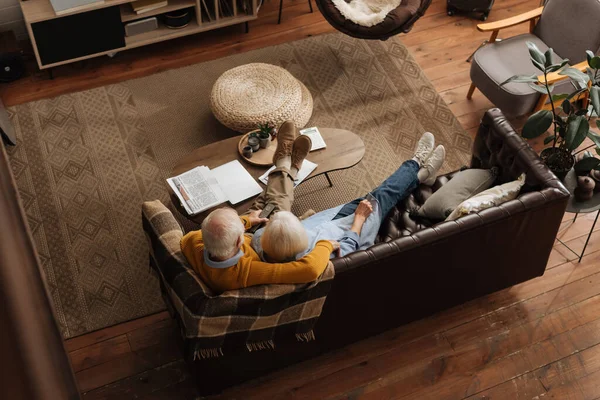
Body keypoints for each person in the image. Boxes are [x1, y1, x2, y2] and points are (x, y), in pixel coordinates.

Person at [180, 121, 340, 293]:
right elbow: (310, 270)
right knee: (278, 207)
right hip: (264, 246)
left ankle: (287, 166)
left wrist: (247, 220)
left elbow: (204, 235)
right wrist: (326, 245)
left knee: (266, 203)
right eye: (239, 222)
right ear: (239, 240)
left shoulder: (192, 241)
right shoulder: (244, 273)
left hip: (244, 236)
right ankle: (287, 165)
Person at [252, 132, 446, 261]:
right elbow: (346, 252)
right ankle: (416, 162)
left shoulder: (259, 239)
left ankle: (421, 177)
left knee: (376, 196)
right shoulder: (310, 261)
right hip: (350, 231)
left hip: (327, 220)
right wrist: (359, 220)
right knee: (381, 196)